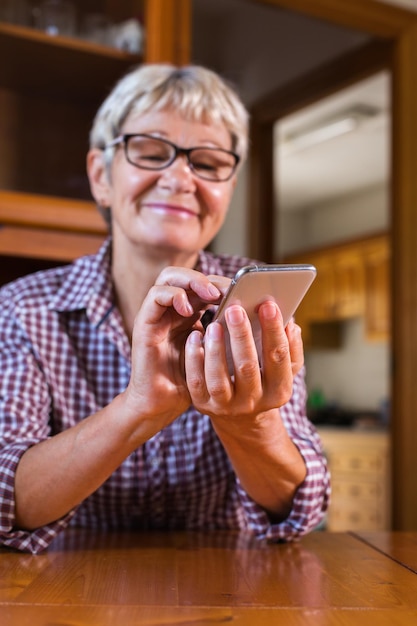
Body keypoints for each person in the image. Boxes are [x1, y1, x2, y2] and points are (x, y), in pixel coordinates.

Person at [0, 64, 330, 554]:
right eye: (151, 153)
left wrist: (248, 423)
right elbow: (6, 502)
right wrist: (137, 409)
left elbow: (300, 510)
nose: (179, 178)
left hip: (232, 594)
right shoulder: (23, 308)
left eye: (209, 163)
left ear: (227, 192)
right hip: (68, 593)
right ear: (101, 177)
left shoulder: (260, 298)